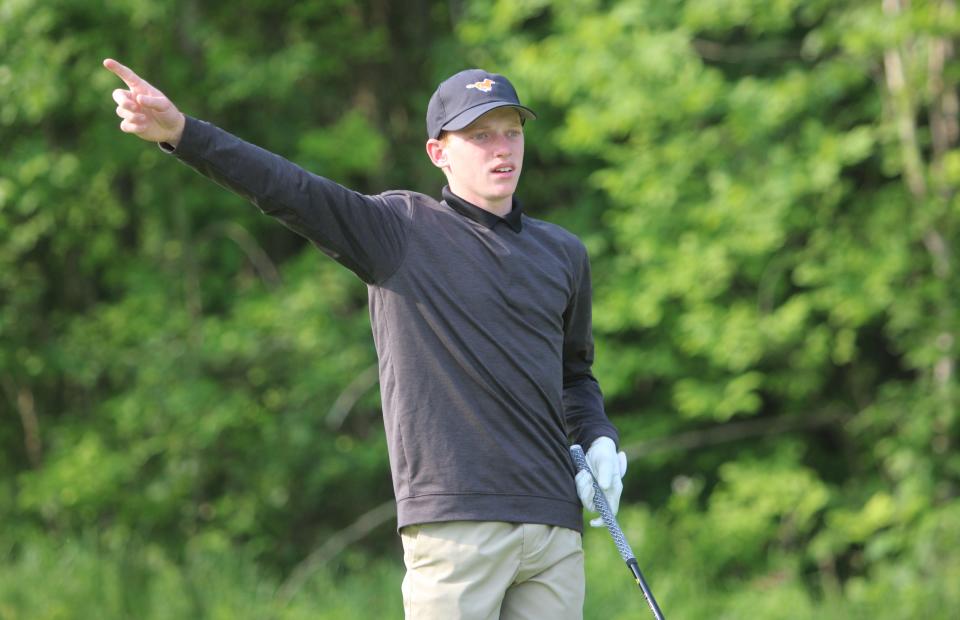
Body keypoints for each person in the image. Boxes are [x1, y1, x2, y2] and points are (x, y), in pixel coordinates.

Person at [103, 57, 627, 620]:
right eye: (479, 135)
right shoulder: (398, 230)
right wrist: (183, 134)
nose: (502, 148)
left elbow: (575, 375)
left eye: (512, 132)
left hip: (553, 528)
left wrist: (597, 437)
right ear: (439, 152)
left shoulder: (563, 253)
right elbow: (290, 189)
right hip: (458, 524)